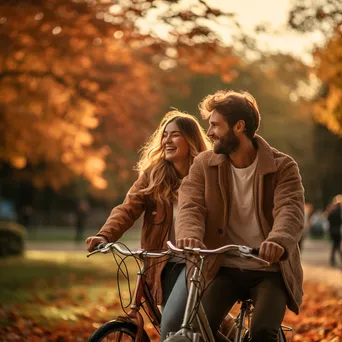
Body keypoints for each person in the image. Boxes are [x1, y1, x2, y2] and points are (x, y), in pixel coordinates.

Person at [175, 90, 305, 342]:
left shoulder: (283, 166)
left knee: (263, 332)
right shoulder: (204, 163)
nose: (209, 132)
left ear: (239, 126)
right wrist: (190, 235)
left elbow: (290, 210)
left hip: (269, 269)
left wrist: (278, 240)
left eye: (215, 125)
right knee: (199, 329)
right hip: (225, 267)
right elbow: (190, 205)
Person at [85, 110, 213, 340]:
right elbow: (128, 208)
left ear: (191, 140)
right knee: (187, 327)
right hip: (162, 263)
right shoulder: (154, 175)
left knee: (171, 325)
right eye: (165, 135)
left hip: (196, 262)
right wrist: (105, 236)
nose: (167, 140)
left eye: (175, 135)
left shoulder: (207, 175)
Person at [326, 195, 342, 267]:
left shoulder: (332, 211)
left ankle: (332, 259)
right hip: (337, 230)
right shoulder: (339, 212)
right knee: (336, 245)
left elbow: (328, 219)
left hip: (332, 230)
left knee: (336, 245)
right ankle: (333, 259)